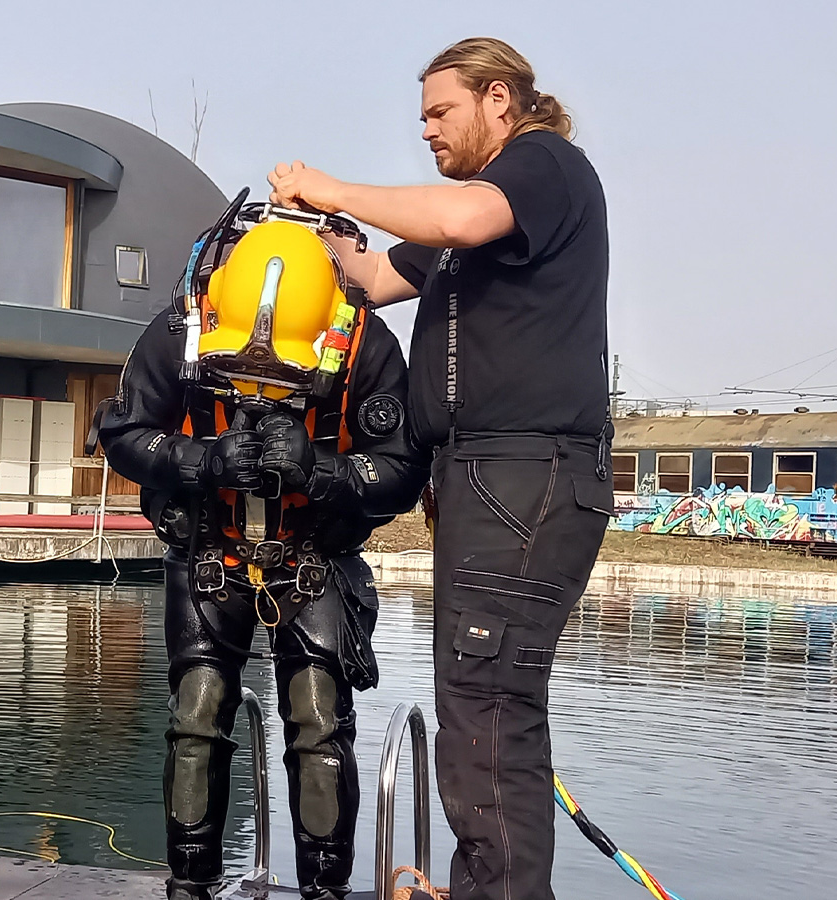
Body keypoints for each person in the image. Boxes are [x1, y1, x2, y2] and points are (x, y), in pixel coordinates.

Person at [267, 36, 613, 900]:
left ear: (500, 99)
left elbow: (457, 218)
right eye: (420, 116)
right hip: (481, 480)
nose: (426, 129)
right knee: (477, 702)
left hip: (526, 473)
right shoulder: (470, 220)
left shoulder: (542, 168)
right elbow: (379, 278)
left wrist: (330, 184)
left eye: (440, 111)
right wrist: (333, 240)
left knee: (486, 706)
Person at [96, 201, 430, 900]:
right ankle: (189, 885)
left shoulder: (366, 344)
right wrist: (197, 460)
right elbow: (124, 430)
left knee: (317, 725)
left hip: (313, 559)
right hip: (207, 552)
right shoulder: (180, 331)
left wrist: (323, 471)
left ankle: (325, 890)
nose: (259, 385)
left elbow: (400, 471)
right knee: (196, 716)